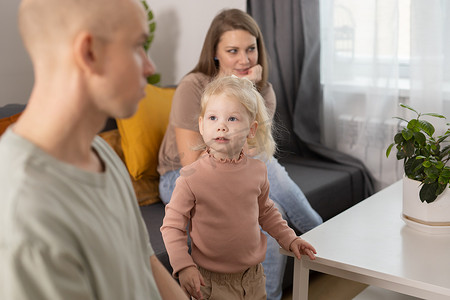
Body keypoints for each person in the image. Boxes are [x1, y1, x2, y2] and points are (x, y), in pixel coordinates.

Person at [0, 0, 187, 299]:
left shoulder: (99, 152)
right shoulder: (26, 212)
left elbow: (144, 258)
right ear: (89, 52)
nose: (150, 67)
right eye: (138, 46)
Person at [157, 8, 323, 299]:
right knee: (268, 166)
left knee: (267, 181)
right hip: (184, 171)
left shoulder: (263, 90)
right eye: (233, 50)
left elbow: (251, 146)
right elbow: (196, 159)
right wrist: (183, 265)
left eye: (251, 49)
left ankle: (288, 269)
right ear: (216, 53)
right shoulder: (193, 87)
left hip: (240, 169)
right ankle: (322, 236)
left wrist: (248, 91)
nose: (244, 59)